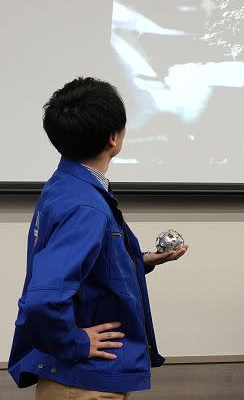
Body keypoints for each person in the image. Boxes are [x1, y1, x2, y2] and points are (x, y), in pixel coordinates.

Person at [7, 77, 188, 399]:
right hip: (84, 382)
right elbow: (42, 299)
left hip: (81, 378)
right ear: (114, 139)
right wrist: (76, 342)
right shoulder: (85, 206)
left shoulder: (65, 186)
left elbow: (88, 266)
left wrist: (140, 261)